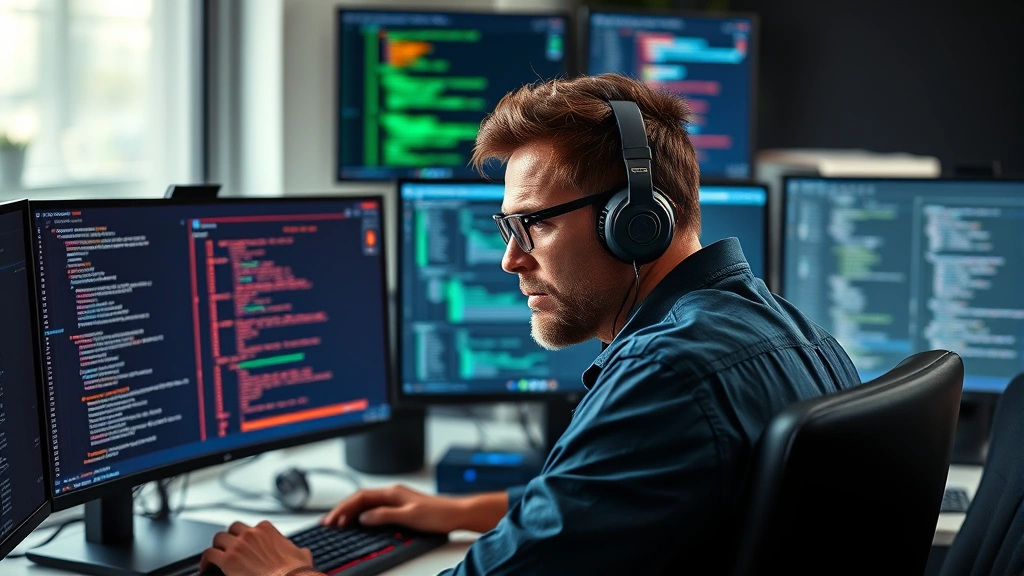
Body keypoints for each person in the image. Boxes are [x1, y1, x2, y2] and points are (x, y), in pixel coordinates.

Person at [198, 73, 862, 576]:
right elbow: (630, 492)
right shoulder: (790, 331)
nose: (511, 257)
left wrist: (286, 573)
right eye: (506, 227)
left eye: (533, 223)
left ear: (634, 221)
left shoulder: (667, 374)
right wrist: (464, 511)